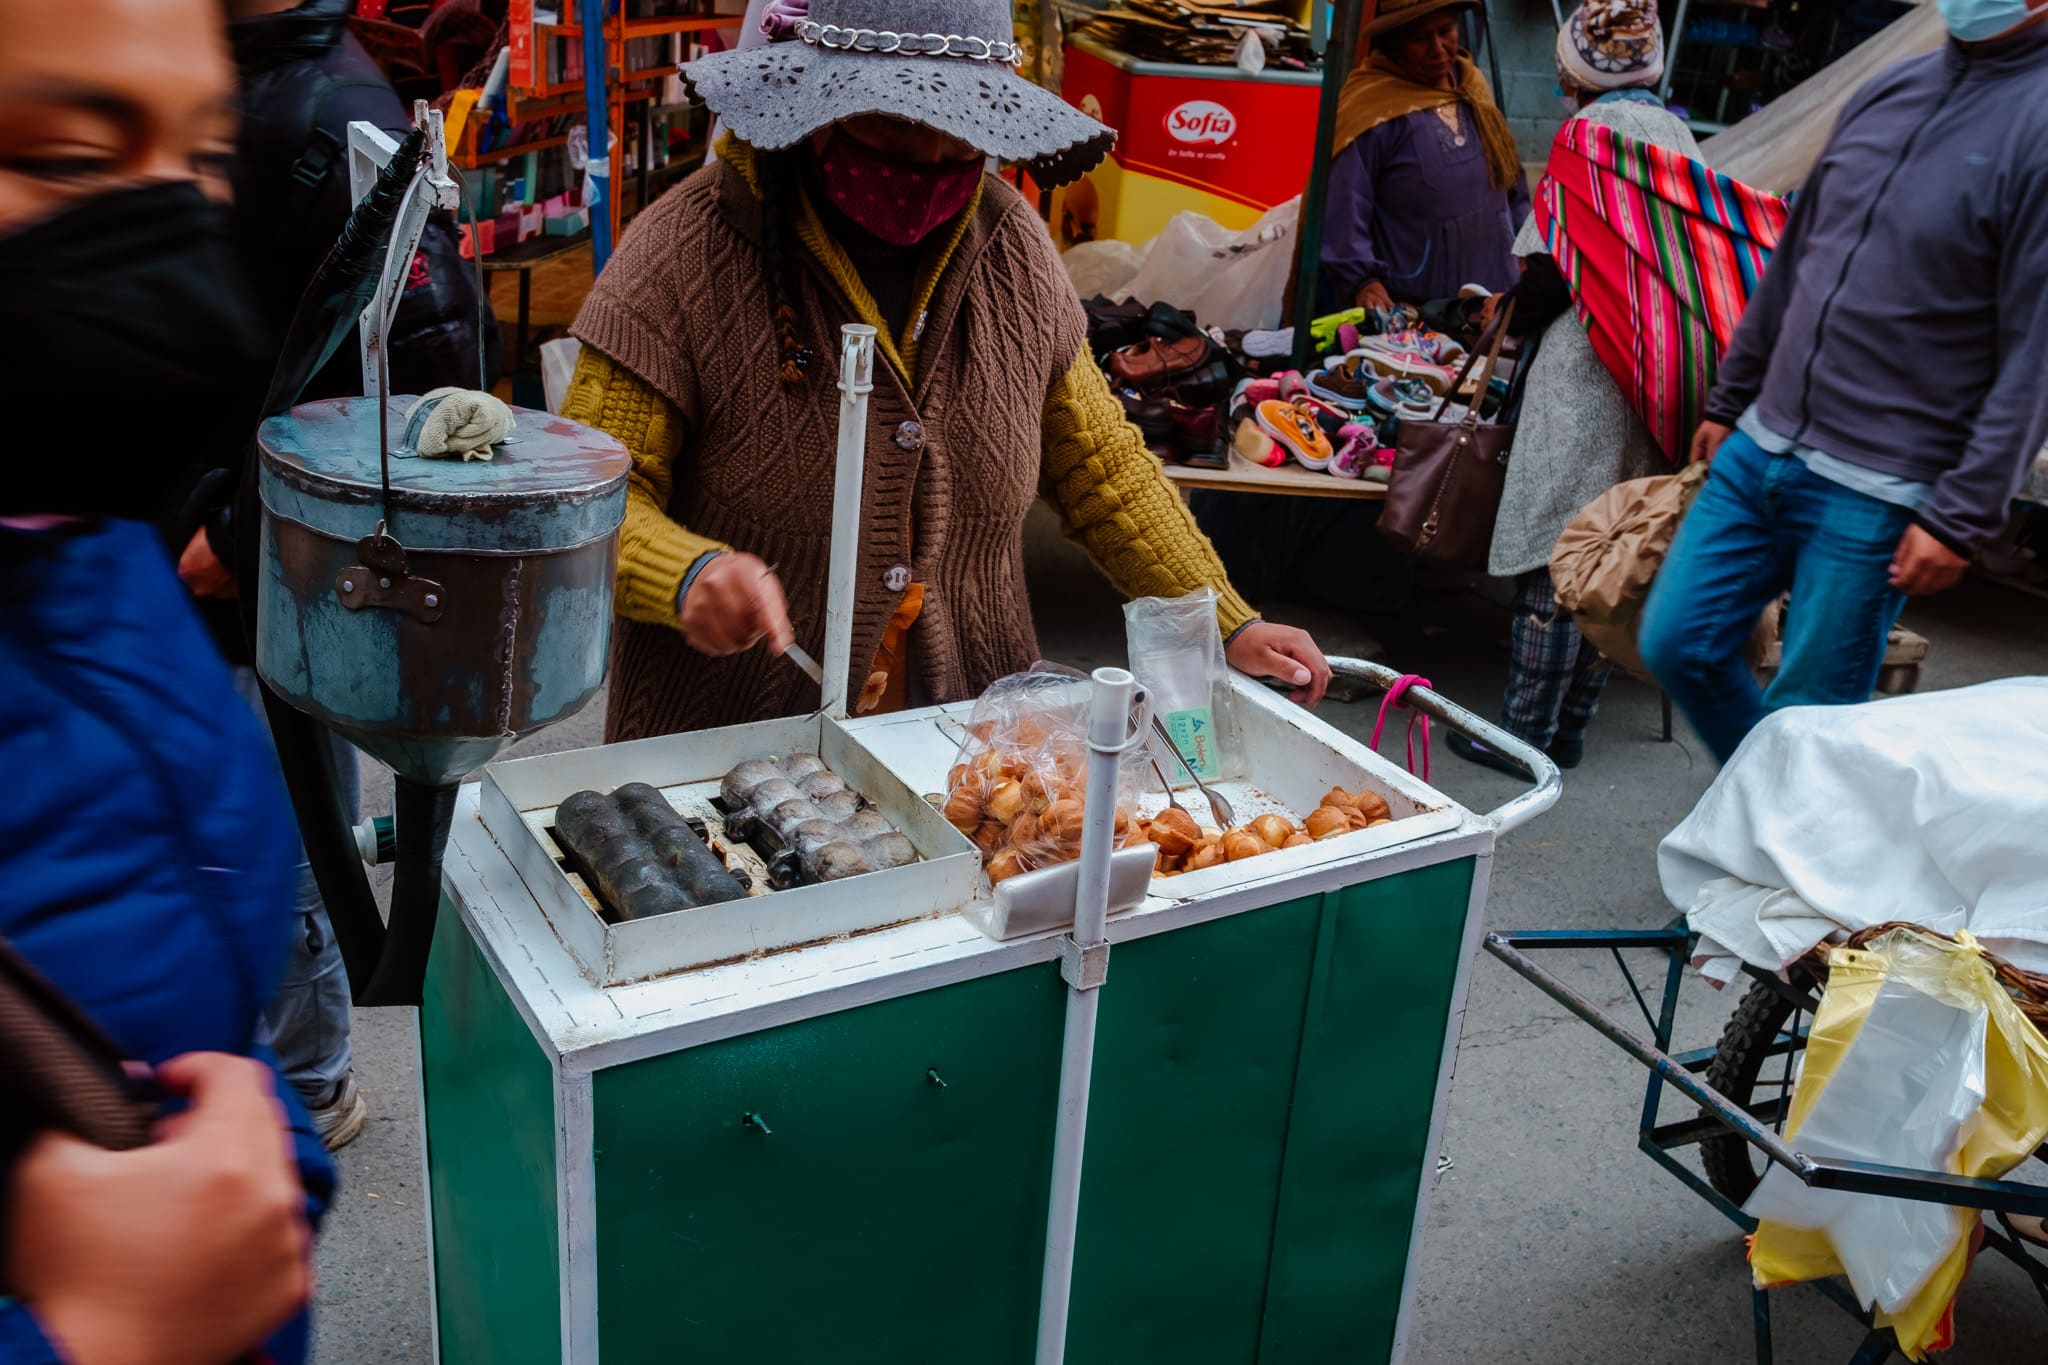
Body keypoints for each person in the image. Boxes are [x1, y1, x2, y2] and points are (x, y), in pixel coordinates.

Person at [561, 0, 1331, 742]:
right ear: (816, 106)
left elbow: (1104, 472)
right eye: (894, 128)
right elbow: (587, 501)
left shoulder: (1014, 253)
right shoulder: (683, 254)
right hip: (722, 751)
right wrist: (684, 573)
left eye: (961, 135)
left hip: (972, 747)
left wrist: (1226, 616)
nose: (929, 159)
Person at [0, 0, 333, 1358]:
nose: (163, 241)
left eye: (199, 156)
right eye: (71, 156)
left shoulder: (78, 534)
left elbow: (186, 1006)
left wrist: (264, 1171)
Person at [168, 0, 506, 1149]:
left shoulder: (333, 111)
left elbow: (424, 381)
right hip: (173, 544)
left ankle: (311, 1088)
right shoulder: (200, 69)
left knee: (276, 838)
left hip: (251, 565)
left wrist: (247, 529)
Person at [1637, 0, 2048, 764]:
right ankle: (1772, 813)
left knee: (1813, 714)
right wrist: (1734, 395)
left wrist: (1961, 514)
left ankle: (1784, 851)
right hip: (1765, 442)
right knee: (1678, 640)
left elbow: (2036, 354)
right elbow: (1797, 256)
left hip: (1880, 485)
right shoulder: (1893, 88)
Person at [1446, 0, 1698, 775]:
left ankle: (1521, 738)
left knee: (1555, 558)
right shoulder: (1682, 136)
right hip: (1658, 377)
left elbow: (1554, 270)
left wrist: (1503, 311)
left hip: (1586, 375)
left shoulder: (1588, 139)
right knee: (1612, 558)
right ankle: (1572, 729)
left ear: (1574, 70)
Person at [1320, 0, 1529, 313]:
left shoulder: (1472, 87)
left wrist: (1528, 251)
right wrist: (1363, 281)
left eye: (1446, 31)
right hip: (1414, 305)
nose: (1438, 48)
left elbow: (1512, 181)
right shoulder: (1370, 108)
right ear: (1393, 45)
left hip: (1494, 295)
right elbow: (1344, 206)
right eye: (1420, 38)